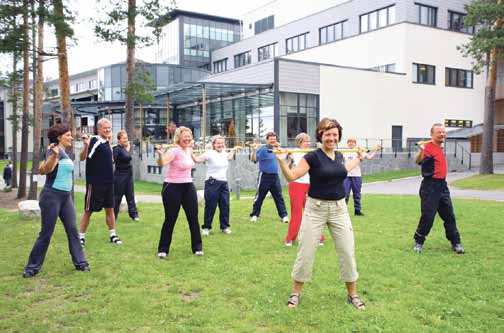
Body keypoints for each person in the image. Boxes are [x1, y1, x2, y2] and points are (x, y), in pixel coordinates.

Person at [275, 118, 366, 309]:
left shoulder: (340, 156)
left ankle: (352, 294)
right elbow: (292, 176)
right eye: (327, 134)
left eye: (334, 134)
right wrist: (283, 162)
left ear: (338, 136)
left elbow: (343, 170)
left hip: (339, 209)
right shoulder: (312, 157)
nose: (331, 138)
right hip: (315, 209)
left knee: (347, 251)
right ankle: (295, 293)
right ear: (321, 136)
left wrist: (359, 157)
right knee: (306, 252)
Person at [23, 124, 89, 278]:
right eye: (68, 135)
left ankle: (81, 263)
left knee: (73, 231)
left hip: (66, 198)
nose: (71, 137)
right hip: (51, 196)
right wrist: (54, 157)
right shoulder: (53, 150)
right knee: (46, 233)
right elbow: (44, 170)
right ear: (59, 137)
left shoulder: (65, 151)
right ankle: (32, 268)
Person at [413, 123, 464, 254]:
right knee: (428, 216)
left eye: (443, 132)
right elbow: (417, 161)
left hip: (442, 186)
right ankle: (418, 241)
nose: (442, 134)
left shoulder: (440, 146)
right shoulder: (428, 147)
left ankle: (456, 242)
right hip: (430, 187)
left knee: (449, 216)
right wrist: (422, 150)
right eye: (439, 132)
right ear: (431, 134)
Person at [156, 126, 203, 259]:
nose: (187, 139)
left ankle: (197, 247)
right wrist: (160, 155)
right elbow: (162, 163)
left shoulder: (189, 149)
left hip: (188, 186)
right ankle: (163, 249)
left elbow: (196, 159)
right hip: (172, 187)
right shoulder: (174, 150)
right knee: (170, 219)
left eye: (189, 137)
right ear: (178, 138)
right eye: (185, 137)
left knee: (193, 217)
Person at [79, 118, 122, 246]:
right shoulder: (94, 141)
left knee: (110, 209)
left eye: (109, 128)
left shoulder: (107, 142)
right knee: (88, 210)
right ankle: (81, 237)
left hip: (109, 183)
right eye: (105, 128)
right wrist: (86, 145)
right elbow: (83, 158)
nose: (108, 130)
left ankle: (113, 235)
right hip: (95, 183)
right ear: (98, 129)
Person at [192, 135, 238, 236]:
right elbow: (197, 160)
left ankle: (225, 226)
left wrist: (234, 150)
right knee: (210, 206)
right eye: (218, 143)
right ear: (214, 144)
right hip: (212, 183)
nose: (220, 145)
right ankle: (206, 228)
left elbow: (229, 157)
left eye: (222, 143)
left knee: (225, 205)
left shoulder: (225, 153)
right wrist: (189, 152)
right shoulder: (209, 153)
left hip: (223, 183)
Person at [284, 133, 325, 247]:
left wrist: (320, 148)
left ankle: (319, 237)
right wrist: (290, 160)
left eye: (309, 141)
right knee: (297, 213)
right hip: (296, 185)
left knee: (312, 212)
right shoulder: (294, 153)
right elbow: (288, 170)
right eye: (306, 141)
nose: (308, 143)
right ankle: (290, 238)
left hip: (310, 185)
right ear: (299, 142)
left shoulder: (312, 153)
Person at [250, 131, 288, 223]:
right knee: (260, 197)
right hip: (264, 176)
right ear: (267, 140)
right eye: (271, 139)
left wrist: (285, 151)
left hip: (275, 176)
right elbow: (254, 159)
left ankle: (284, 216)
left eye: (274, 139)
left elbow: (285, 156)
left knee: (279, 197)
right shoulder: (263, 149)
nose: (273, 141)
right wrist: (254, 150)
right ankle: (255, 215)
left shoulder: (277, 149)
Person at [343, 137, 380, 216]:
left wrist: (376, 150)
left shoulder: (359, 151)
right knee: (345, 194)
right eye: (349, 142)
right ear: (347, 143)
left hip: (356, 176)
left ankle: (357, 211)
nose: (351, 143)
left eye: (352, 142)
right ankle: (343, 212)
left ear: (355, 144)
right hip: (346, 176)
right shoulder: (344, 152)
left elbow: (370, 157)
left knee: (357, 194)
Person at [113, 130, 139, 222]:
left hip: (128, 175)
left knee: (130, 195)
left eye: (126, 138)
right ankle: (113, 216)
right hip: (120, 176)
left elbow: (127, 157)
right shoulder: (117, 149)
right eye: (124, 138)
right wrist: (127, 149)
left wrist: (127, 149)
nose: (126, 140)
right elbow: (124, 157)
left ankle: (134, 215)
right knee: (117, 197)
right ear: (119, 139)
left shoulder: (125, 148)